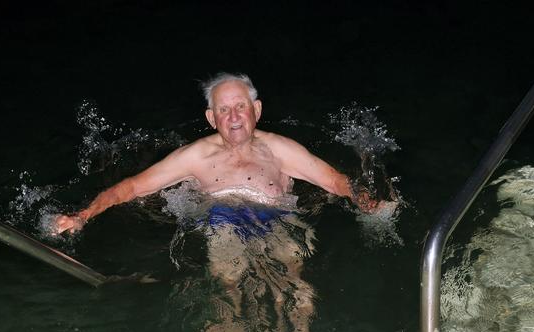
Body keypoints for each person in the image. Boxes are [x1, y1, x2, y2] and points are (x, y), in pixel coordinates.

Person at [54, 73, 380, 235]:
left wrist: (363, 199)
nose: (234, 116)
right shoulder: (194, 157)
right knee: (228, 295)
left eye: (240, 107)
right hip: (222, 225)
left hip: (278, 223)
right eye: (224, 110)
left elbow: (335, 181)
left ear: (256, 110)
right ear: (212, 118)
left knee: (295, 297)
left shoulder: (281, 150)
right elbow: (131, 187)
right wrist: (84, 215)